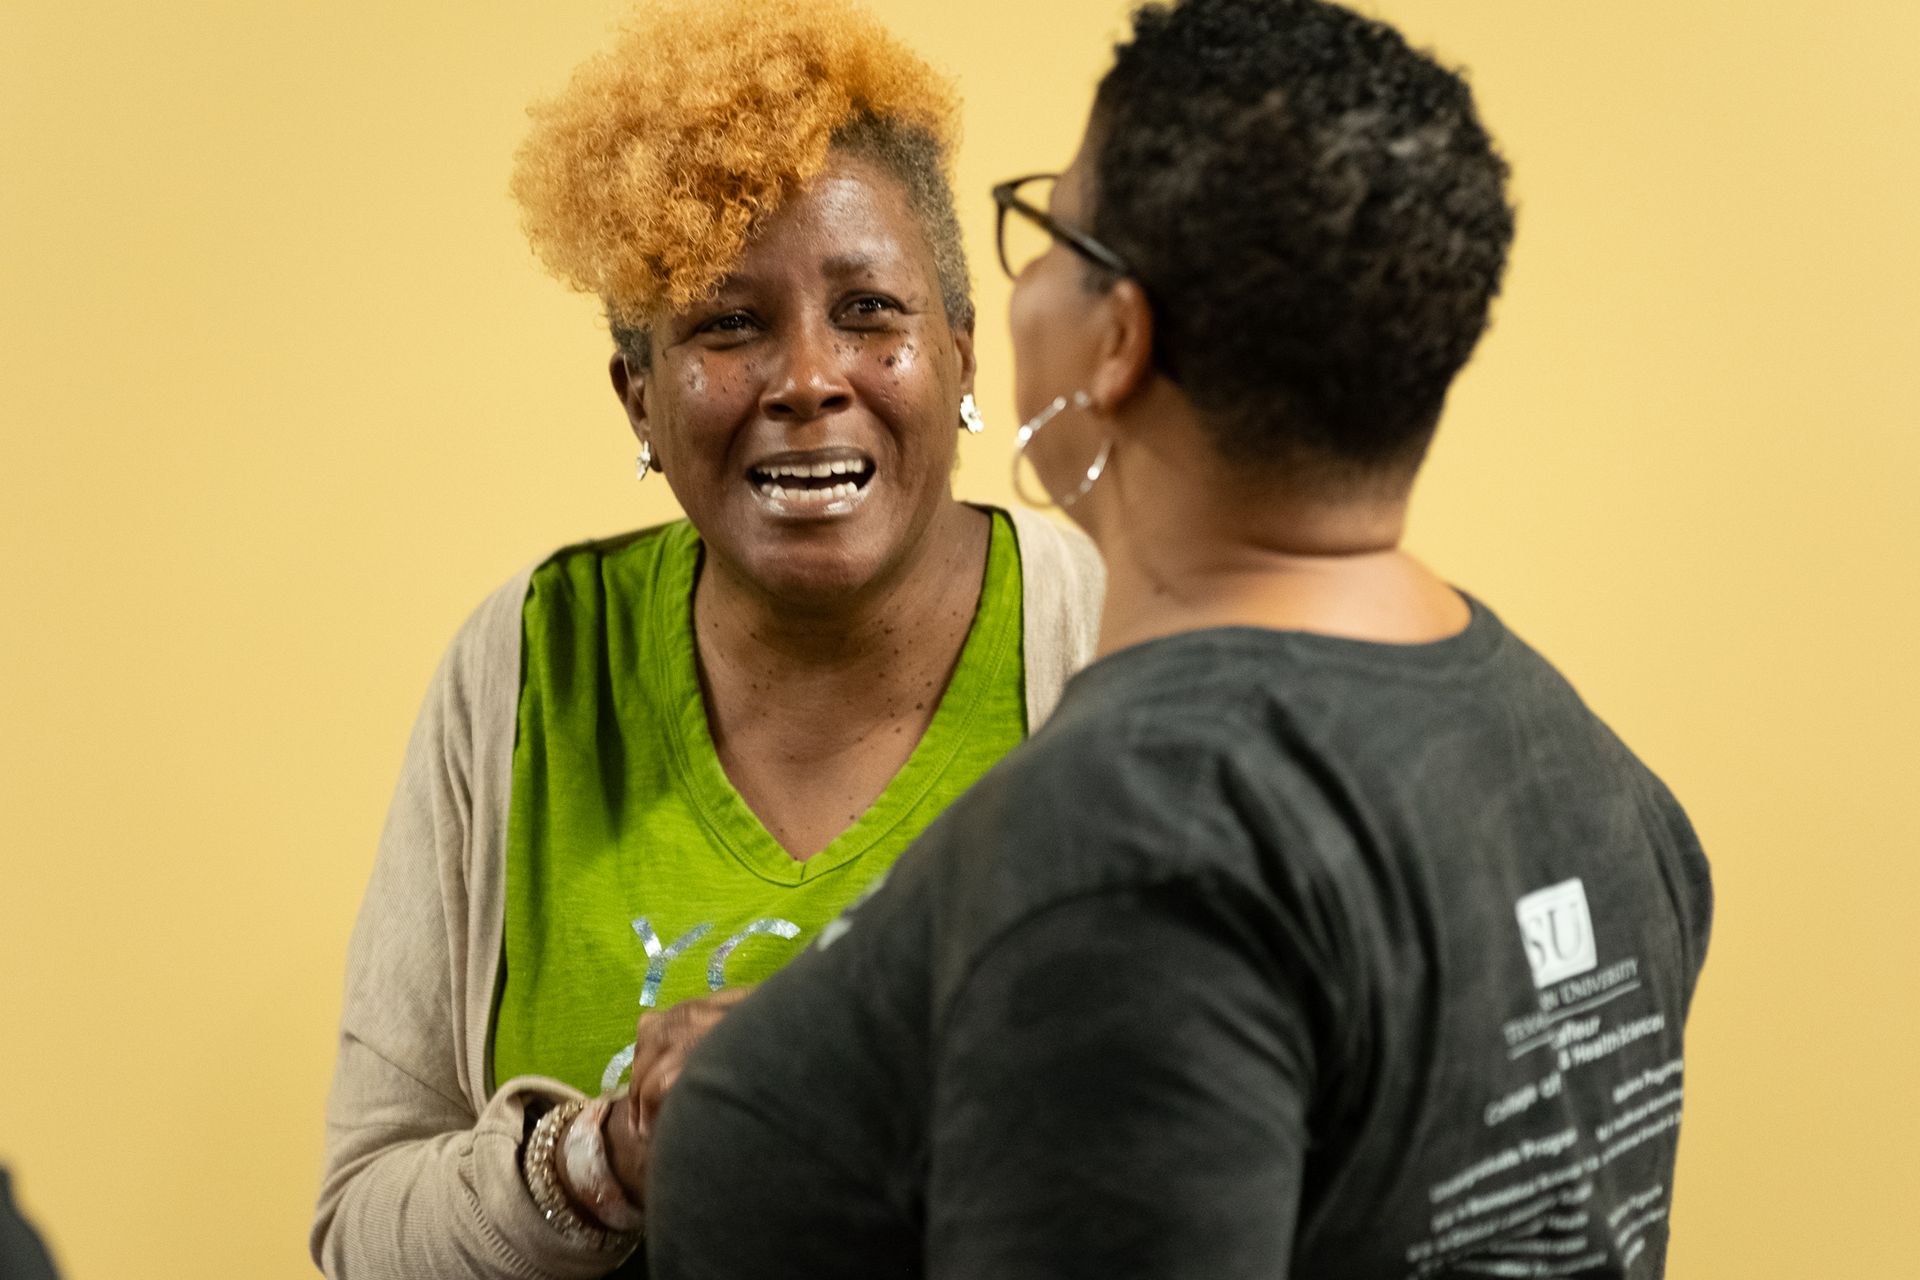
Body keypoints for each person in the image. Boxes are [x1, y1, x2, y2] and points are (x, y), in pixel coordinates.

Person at [643, 1, 1714, 1277]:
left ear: (1117, 337)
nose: (1021, 276)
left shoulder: (1131, 844)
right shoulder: (1598, 785)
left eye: (1049, 231)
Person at [309, 1, 1103, 1275]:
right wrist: (608, 1153)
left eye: (869, 311)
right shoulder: (525, 667)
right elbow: (365, 1227)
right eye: (727, 323)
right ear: (638, 395)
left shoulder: (1111, 646)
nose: (805, 377)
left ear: (958, 351)